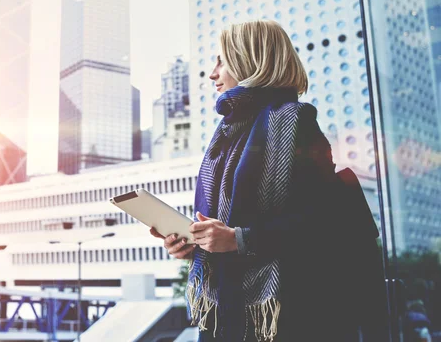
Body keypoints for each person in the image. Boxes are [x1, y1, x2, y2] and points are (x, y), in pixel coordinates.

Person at [150, 20, 368, 341]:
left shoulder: (296, 124)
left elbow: (324, 222)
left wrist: (239, 240)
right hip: (225, 312)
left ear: (251, 60)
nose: (212, 74)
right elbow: (224, 225)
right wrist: (193, 243)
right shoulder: (227, 133)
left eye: (221, 61)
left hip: (284, 314)